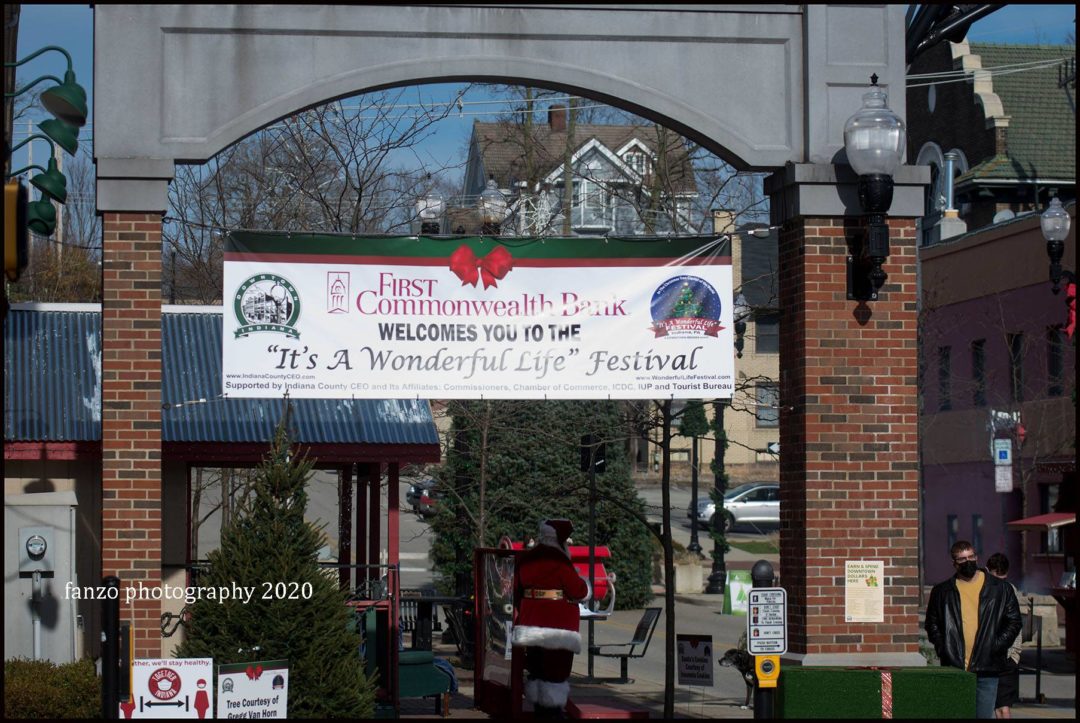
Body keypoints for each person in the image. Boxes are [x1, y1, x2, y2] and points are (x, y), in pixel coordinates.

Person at [925, 541, 1022, 719]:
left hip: (987, 666)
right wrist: (943, 647)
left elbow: (1014, 621)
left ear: (977, 557)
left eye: (971, 557)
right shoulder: (942, 591)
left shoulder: (1000, 589)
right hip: (955, 666)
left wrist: (996, 645)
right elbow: (932, 624)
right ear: (954, 563)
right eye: (962, 559)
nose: (968, 562)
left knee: (984, 715)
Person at [511, 519, 589, 718]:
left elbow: (517, 589)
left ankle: (540, 710)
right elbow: (578, 590)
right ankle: (552, 712)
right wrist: (584, 585)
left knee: (537, 669)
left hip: (531, 622)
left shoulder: (528, 558)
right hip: (557, 624)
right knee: (555, 671)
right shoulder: (559, 560)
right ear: (560, 539)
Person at [985, 553, 1023, 719]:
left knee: (994, 708)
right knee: (1002, 708)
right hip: (1007, 656)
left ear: (987, 570)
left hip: (993, 656)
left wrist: (1014, 654)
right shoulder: (1013, 590)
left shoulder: (983, 590)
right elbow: (1018, 624)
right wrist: (1015, 653)